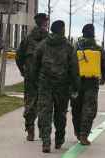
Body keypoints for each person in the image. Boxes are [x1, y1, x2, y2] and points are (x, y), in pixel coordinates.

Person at [35, 20, 80, 153]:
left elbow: (35, 64)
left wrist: (36, 81)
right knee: (60, 114)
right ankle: (59, 140)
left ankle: (46, 142)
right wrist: (76, 86)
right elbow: (74, 69)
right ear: (62, 30)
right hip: (62, 86)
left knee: (45, 113)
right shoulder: (68, 47)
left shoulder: (43, 45)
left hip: (45, 85)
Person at [71, 24, 105, 145]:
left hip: (77, 83)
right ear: (93, 34)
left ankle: (78, 132)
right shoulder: (98, 48)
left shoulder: (76, 47)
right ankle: (84, 135)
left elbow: (71, 63)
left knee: (76, 108)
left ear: (82, 33)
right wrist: (103, 78)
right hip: (92, 83)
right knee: (89, 109)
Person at [15, 13, 49, 141]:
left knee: (30, 104)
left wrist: (23, 70)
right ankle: (42, 131)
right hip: (45, 78)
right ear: (45, 23)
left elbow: (19, 56)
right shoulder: (49, 39)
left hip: (30, 77)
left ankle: (30, 131)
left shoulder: (27, 39)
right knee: (44, 105)